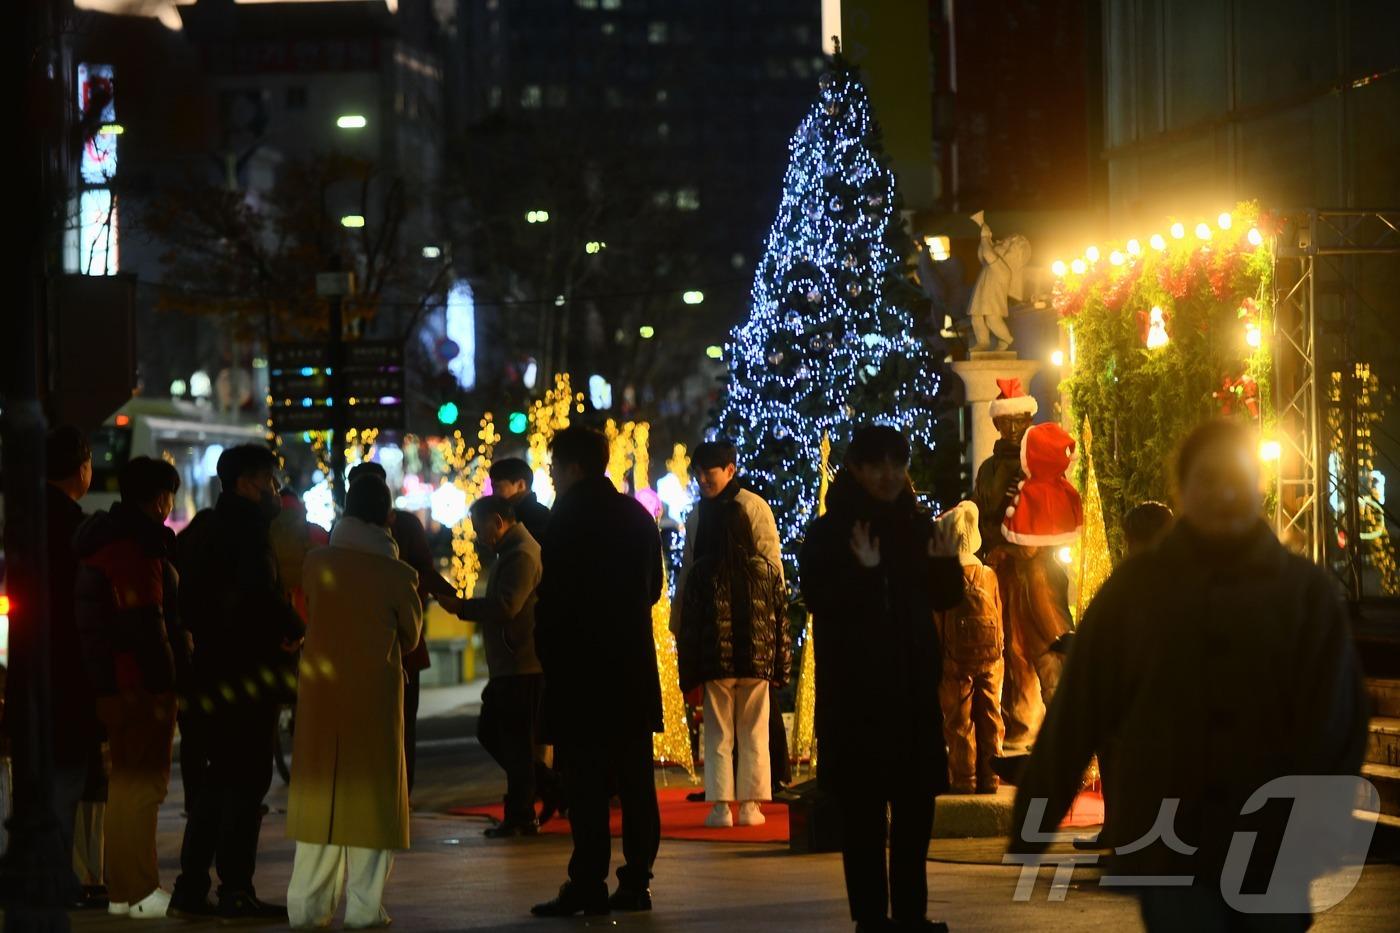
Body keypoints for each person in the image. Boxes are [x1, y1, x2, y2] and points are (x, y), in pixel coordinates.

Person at [1010, 420, 1368, 931]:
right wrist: (1035, 817)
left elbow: (1338, 721)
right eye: (1209, 479)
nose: (1224, 493)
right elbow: (1079, 709)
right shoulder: (1135, 591)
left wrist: (1317, 827)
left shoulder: (1303, 594)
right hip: (1171, 844)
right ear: (1182, 489)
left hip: (1273, 841)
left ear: (1258, 488)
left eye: (1236, 479)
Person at [799, 426, 964, 933]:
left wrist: (944, 563)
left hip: (913, 693)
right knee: (865, 819)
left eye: (898, 463)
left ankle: (910, 915)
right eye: (878, 465)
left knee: (915, 816)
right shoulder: (831, 532)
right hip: (858, 700)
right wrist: (867, 573)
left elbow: (943, 599)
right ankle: (871, 918)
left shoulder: (916, 527)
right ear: (855, 468)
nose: (890, 475)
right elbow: (822, 601)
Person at [530, 426, 664, 918]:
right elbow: (653, 587)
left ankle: (587, 880)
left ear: (571, 467)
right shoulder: (635, 516)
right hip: (629, 667)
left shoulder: (566, 519)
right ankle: (637, 882)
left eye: (553, 468)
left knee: (584, 782)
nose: (552, 477)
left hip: (580, 672)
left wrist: (550, 650)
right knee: (635, 781)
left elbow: (555, 601)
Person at [170, 444, 305, 920]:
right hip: (246, 676)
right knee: (245, 785)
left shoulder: (202, 530)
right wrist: (294, 628)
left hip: (209, 673)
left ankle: (190, 886)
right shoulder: (249, 534)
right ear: (247, 483)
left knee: (213, 783)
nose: (274, 490)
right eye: (269, 481)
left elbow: (187, 598)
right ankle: (236, 889)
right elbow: (260, 598)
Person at [287, 475, 422, 930]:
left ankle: (306, 907)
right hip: (374, 699)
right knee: (371, 805)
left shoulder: (316, 562)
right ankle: (365, 909)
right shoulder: (398, 575)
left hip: (323, 695)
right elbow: (411, 634)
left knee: (320, 802)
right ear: (387, 516)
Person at [73, 456, 190, 918]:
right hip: (140, 686)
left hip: (111, 684)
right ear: (160, 498)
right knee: (142, 788)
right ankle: (139, 890)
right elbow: (147, 624)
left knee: (125, 785)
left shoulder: (101, 541)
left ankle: (125, 890)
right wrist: (169, 682)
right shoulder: (137, 549)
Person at [2, 425, 106, 908]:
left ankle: (37, 872)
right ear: (82, 466)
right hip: (68, 672)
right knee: (66, 781)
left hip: (26, 671)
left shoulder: (22, 522)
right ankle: (55, 877)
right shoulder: (79, 529)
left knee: (33, 782)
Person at [675, 450, 789, 829]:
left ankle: (722, 805)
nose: (704, 480)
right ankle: (749, 805)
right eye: (700, 474)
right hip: (752, 643)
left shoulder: (702, 521)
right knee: (749, 727)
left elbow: (688, 575)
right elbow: (776, 580)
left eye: (710, 474)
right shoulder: (753, 512)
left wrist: (683, 629)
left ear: (730, 469)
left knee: (720, 728)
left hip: (717, 645)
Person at [347, 461, 460, 794]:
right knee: (401, 723)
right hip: (401, 643)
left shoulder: (342, 534)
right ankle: (399, 791)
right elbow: (423, 572)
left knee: (367, 725)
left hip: (358, 646)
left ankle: (378, 789)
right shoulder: (405, 527)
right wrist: (451, 598)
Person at [973, 379, 1072, 753]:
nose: (1012, 428)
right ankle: (1021, 723)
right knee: (1009, 649)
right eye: (1006, 422)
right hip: (1001, 573)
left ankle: (1058, 729)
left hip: (1035, 573)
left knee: (1044, 645)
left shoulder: (1037, 468)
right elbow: (982, 514)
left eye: (1019, 421)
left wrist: (1013, 549)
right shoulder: (987, 469)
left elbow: (1042, 522)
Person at [452, 496, 548, 838]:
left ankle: (527, 808)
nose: (477, 534)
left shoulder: (520, 553)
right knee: (503, 735)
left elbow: (507, 606)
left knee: (509, 738)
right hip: (513, 661)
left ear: (497, 521)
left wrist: (463, 608)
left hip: (521, 661)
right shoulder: (512, 550)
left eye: (479, 527)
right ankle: (542, 793)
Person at [934, 501, 1005, 795]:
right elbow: (999, 615)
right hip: (990, 659)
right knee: (991, 716)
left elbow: (938, 620)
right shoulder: (988, 573)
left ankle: (964, 779)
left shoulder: (944, 576)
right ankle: (991, 778)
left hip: (955, 661)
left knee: (959, 721)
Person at [489, 457, 552, 545]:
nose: (493, 493)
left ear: (521, 485)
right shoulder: (512, 515)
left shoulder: (538, 517)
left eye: (497, 487)